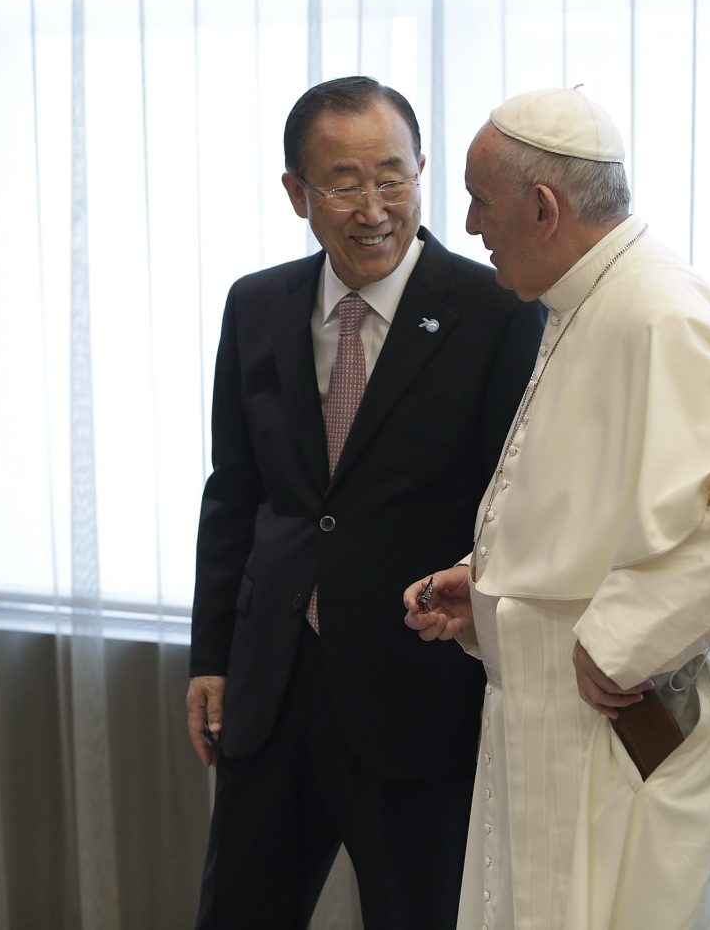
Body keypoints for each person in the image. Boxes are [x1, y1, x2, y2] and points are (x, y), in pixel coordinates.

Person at [404, 87, 710, 930]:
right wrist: (487, 592)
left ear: (542, 208)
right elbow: (610, 512)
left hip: (641, 747)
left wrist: (626, 636)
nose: (466, 226)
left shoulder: (653, 305)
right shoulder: (588, 298)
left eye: (480, 202)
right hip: (567, 742)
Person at [189, 76, 545, 929]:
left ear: (424, 171)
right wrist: (212, 654)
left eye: (393, 177)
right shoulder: (257, 304)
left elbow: (519, 503)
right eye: (343, 182)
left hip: (418, 698)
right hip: (273, 692)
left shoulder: (496, 311)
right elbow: (234, 494)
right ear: (296, 192)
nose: (374, 207)